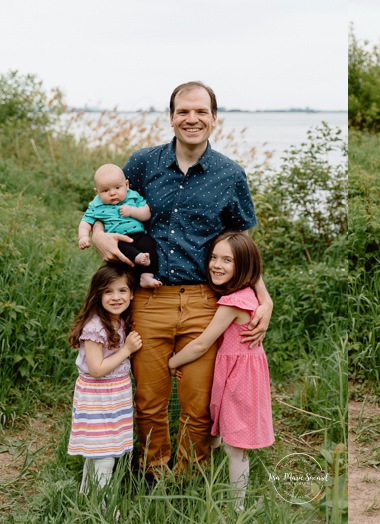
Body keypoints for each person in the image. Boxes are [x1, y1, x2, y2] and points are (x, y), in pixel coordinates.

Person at [89, 81, 273, 480]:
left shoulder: (230, 174)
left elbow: (243, 246)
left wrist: (264, 298)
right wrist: (100, 233)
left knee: (199, 402)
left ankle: (191, 477)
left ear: (214, 118)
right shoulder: (143, 163)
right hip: (148, 298)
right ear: (171, 117)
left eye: (201, 111)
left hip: (206, 303)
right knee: (149, 398)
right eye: (183, 111)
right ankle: (153, 473)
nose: (192, 119)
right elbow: (109, 200)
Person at [168, 231, 274, 511]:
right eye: (214, 257)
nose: (217, 265)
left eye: (228, 260)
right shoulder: (248, 294)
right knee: (222, 431)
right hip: (243, 371)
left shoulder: (233, 302)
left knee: (235, 445)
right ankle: (208, 472)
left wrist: (172, 362)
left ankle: (237, 507)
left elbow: (202, 344)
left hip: (239, 377)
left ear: (244, 267)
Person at [67, 264, 142, 496]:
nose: (116, 297)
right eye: (108, 291)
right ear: (98, 294)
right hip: (97, 397)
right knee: (105, 457)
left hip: (115, 395)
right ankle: (103, 507)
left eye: (122, 291)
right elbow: (97, 369)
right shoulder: (95, 326)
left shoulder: (120, 321)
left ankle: (86, 496)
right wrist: (127, 349)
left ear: (131, 293)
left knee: (99, 452)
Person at [78, 164, 161, 288]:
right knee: (121, 248)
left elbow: (147, 213)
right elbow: (85, 222)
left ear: (126, 185)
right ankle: (137, 257)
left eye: (117, 187)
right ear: (97, 192)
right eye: (105, 191)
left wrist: (132, 211)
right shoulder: (96, 205)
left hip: (138, 235)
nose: (112, 193)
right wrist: (83, 237)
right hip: (117, 238)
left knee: (149, 245)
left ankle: (146, 276)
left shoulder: (133, 197)